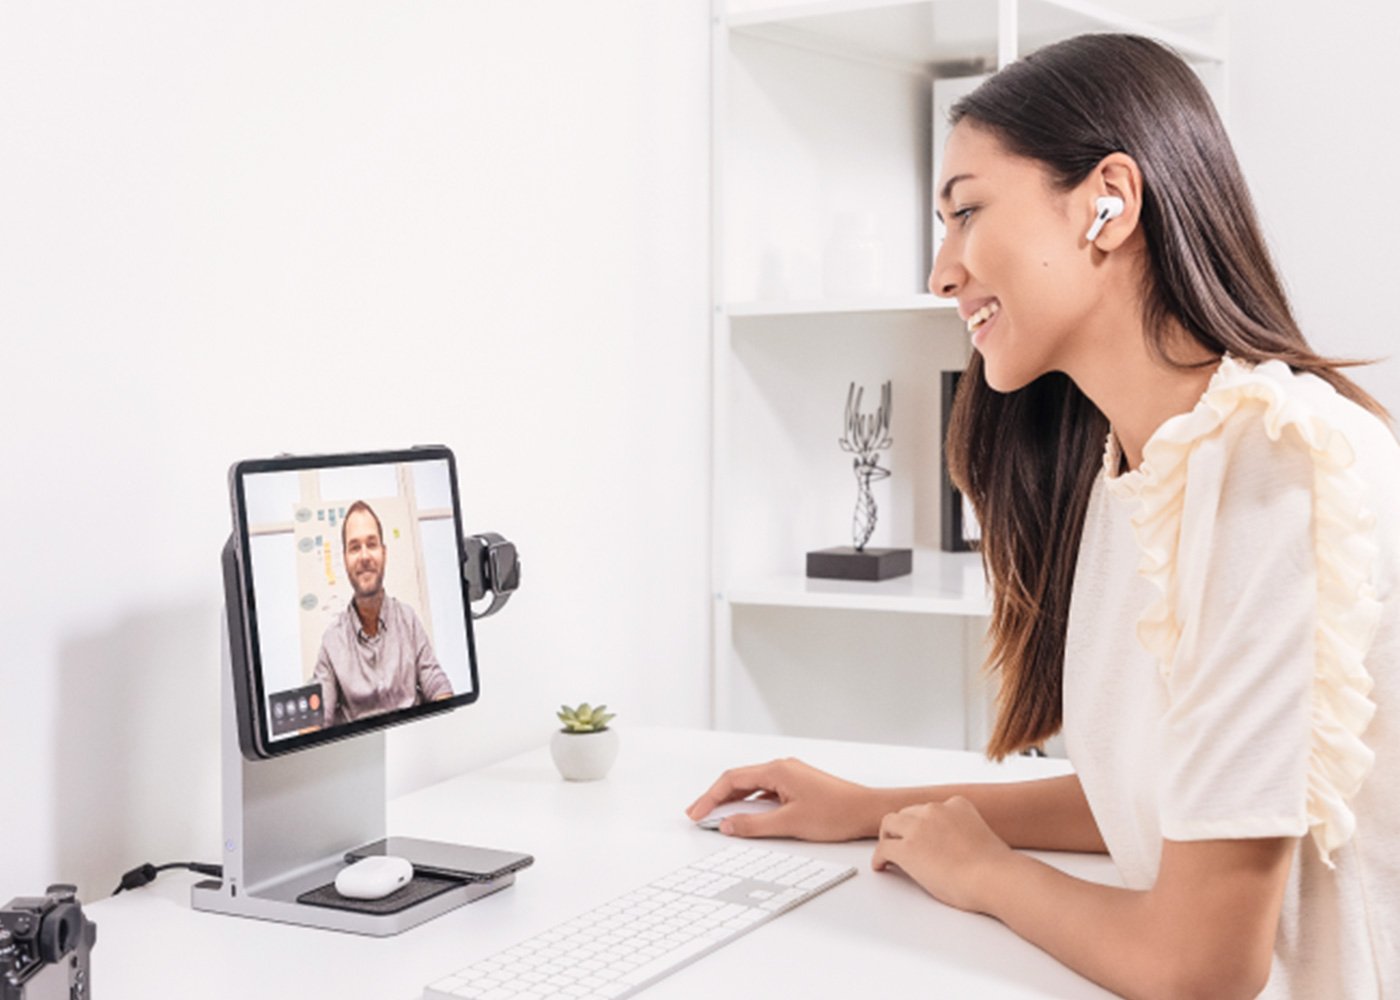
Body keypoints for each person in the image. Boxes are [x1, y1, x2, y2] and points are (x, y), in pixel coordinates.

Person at [687, 33, 1398, 1000]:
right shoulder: (1133, 465)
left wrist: (985, 875)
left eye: (967, 211)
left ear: (1108, 202)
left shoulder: (1275, 460)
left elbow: (1201, 967)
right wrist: (874, 807)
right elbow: (1166, 807)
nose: (942, 272)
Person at [312, 499, 453, 725]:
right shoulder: (331, 641)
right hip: (361, 752)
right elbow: (316, 718)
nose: (365, 556)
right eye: (355, 547)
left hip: (415, 741)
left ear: (384, 553)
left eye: (372, 544)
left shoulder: (409, 619)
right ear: (345, 559)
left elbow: (436, 684)